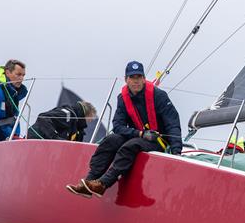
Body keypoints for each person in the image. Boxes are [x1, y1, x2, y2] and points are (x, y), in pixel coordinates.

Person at [65, 61, 182, 198]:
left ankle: (103, 184)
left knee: (130, 146)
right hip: (140, 136)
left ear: (144, 79)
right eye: (132, 78)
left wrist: (176, 153)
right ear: (126, 79)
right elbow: (117, 126)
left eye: (139, 77)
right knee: (111, 140)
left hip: (158, 140)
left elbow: (172, 123)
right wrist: (139, 133)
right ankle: (89, 181)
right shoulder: (123, 99)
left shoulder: (159, 96)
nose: (136, 81)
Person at [27, 101, 97, 141]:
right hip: (34, 141)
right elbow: (43, 118)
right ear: (85, 114)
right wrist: (55, 138)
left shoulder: (77, 129)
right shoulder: (67, 114)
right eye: (89, 119)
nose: (89, 122)